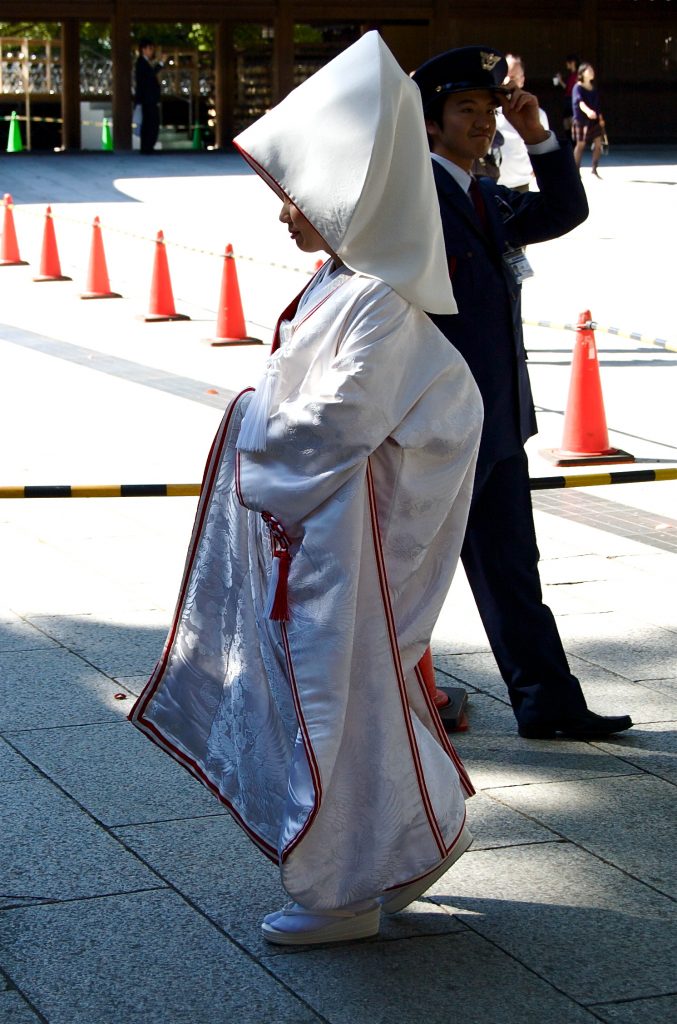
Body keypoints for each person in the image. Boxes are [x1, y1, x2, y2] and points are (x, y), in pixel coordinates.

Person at [129, 32, 483, 946]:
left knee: (335, 704)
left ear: (349, 197)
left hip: (345, 547)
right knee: (356, 702)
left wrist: (249, 420)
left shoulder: (377, 299)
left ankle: (342, 893)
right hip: (331, 533)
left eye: (294, 195)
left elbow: (338, 424)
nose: (284, 213)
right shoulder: (350, 282)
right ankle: (408, 845)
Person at [411, 45, 633, 741]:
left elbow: (566, 209)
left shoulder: (485, 194)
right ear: (429, 124)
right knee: (399, 577)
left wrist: (537, 132)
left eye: (487, 108)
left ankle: (546, 702)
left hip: (499, 422)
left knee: (512, 572)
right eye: (464, 109)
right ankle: (372, 701)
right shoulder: (413, 202)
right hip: (435, 428)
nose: (481, 122)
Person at [496, 54, 549, 192]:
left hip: (522, 182)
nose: (508, 81)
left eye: (513, 77)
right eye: (504, 76)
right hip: (494, 183)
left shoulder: (537, 114)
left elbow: (544, 148)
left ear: (522, 80)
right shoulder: (489, 113)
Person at [572, 62, 605, 177]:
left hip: (594, 120)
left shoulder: (593, 88)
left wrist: (600, 118)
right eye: (589, 70)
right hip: (581, 120)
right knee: (580, 145)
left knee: (598, 143)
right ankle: (575, 170)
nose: (592, 71)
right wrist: (588, 112)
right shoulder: (578, 87)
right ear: (582, 73)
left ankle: (594, 168)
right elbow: (580, 102)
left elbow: (597, 106)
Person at [134, 37, 162, 154]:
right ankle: (147, 147)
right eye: (150, 48)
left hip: (149, 99)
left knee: (151, 123)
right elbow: (149, 77)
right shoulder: (141, 63)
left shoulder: (145, 63)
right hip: (147, 99)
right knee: (149, 123)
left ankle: (148, 146)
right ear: (143, 49)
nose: (152, 51)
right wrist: (160, 64)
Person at [554, 54, 579, 134]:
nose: (567, 65)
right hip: (567, 99)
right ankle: (570, 142)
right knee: (566, 123)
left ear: (573, 63)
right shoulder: (571, 75)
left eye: (568, 63)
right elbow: (567, 88)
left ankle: (573, 143)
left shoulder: (577, 75)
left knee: (572, 122)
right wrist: (560, 81)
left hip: (573, 99)